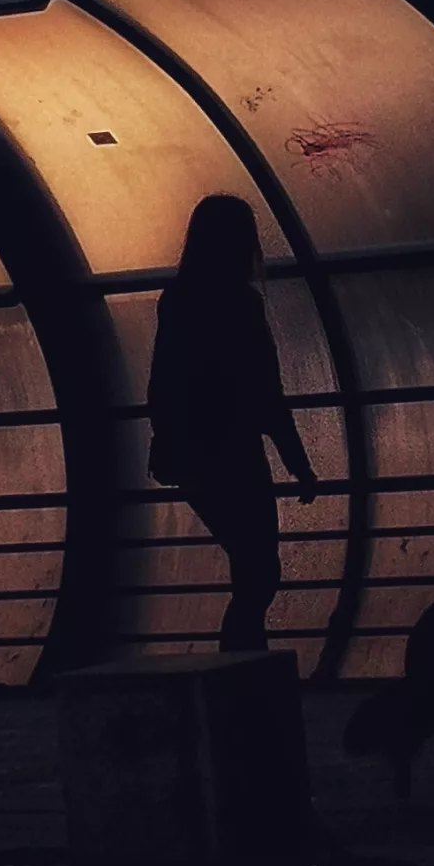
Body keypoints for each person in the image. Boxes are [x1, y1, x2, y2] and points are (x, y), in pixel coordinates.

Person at [147, 193, 318, 651]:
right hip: (236, 452)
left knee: (250, 567)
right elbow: (266, 390)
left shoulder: (177, 299)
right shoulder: (241, 303)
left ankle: (241, 672)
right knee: (259, 570)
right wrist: (297, 461)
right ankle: (244, 668)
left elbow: (163, 382)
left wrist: (170, 443)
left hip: (193, 454)